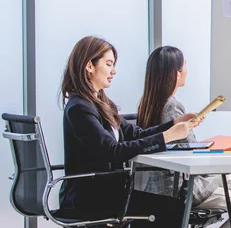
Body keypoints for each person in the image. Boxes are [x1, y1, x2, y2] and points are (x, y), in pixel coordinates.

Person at [59, 36, 201, 227]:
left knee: (173, 208)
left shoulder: (101, 104)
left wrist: (173, 124)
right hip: (90, 198)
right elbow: (112, 151)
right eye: (108, 64)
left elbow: (135, 134)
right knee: (173, 210)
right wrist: (168, 137)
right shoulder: (79, 108)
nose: (113, 71)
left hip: (108, 193)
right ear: (89, 66)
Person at [137, 46, 231, 227]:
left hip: (160, 186)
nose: (187, 69)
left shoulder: (147, 104)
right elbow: (190, 152)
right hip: (181, 187)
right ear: (176, 73)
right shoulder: (171, 106)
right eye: (185, 64)